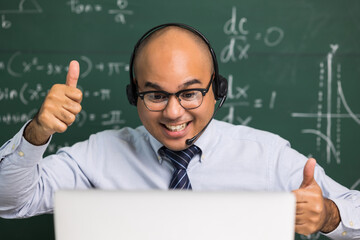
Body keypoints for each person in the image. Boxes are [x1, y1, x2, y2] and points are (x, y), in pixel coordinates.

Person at [0, 23, 359, 239]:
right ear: (133, 95)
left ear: (218, 91)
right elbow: (10, 201)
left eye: (189, 93)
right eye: (155, 94)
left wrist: (328, 215)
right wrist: (37, 133)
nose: (173, 113)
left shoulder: (267, 157)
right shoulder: (99, 154)